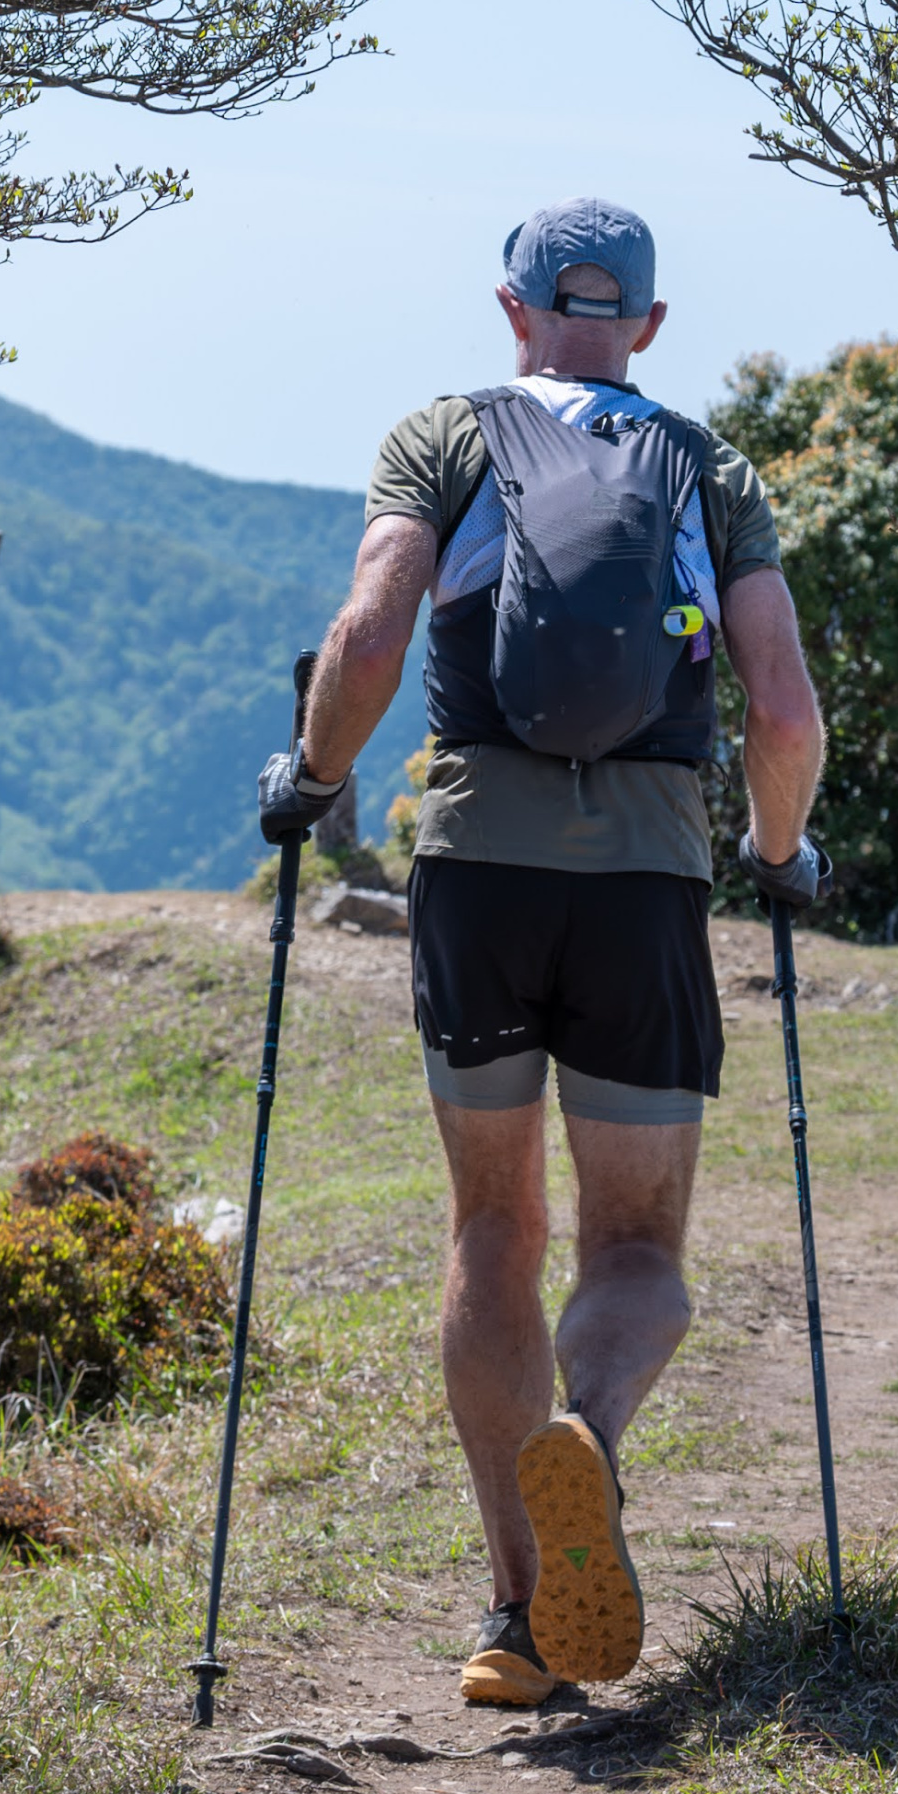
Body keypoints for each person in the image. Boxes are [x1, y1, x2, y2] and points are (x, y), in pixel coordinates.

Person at [259, 198, 826, 1707]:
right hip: (643, 881)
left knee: (490, 1234)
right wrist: (778, 859)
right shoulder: (709, 468)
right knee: (635, 1250)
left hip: (475, 875)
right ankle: (595, 1427)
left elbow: (369, 640)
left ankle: (517, 1617)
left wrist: (310, 785)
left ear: (513, 313)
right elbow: (782, 715)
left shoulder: (444, 439)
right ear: (644, 327)